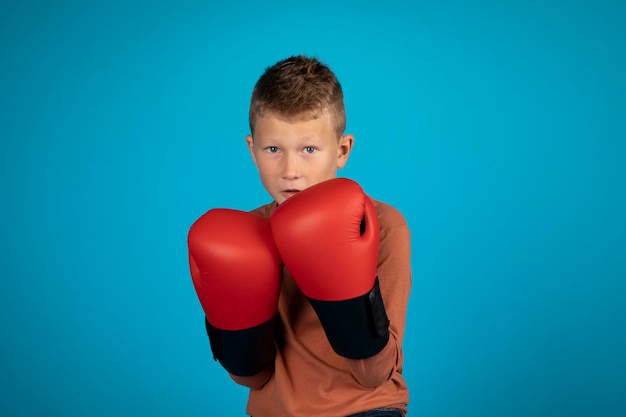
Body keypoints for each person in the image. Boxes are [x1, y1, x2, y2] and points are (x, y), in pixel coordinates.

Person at [187, 55, 412, 416]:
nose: (290, 171)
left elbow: (374, 374)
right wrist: (237, 339)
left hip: (365, 411)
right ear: (252, 150)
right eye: (273, 149)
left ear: (342, 151)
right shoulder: (245, 235)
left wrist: (344, 289)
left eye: (309, 149)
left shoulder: (380, 225)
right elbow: (251, 378)